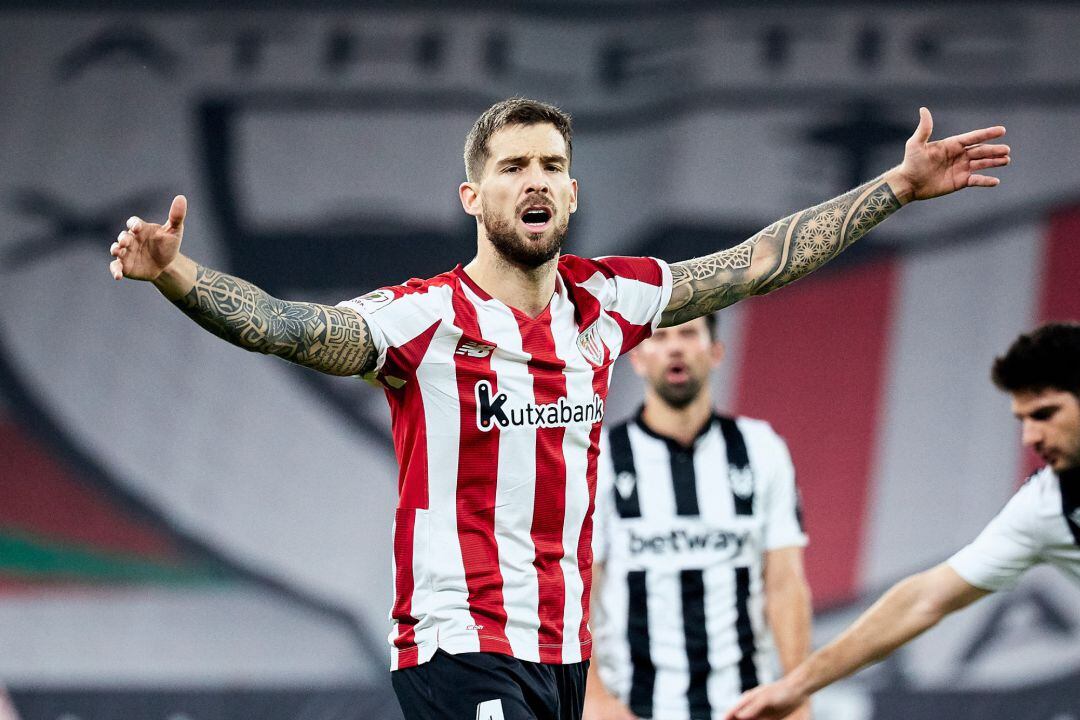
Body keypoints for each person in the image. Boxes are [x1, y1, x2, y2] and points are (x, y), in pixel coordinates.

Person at [107, 98, 1009, 720]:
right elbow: (287, 327)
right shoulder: (426, 318)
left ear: (573, 193)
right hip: (459, 641)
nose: (534, 179)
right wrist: (177, 274)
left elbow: (759, 261)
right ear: (474, 196)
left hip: (564, 652)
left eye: (552, 165)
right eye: (511, 167)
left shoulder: (608, 302)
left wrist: (894, 188)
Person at [724, 322, 1080, 720]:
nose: (1029, 437)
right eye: (1023, 419)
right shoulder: (1043, 508)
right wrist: (797, 685)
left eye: (1045, 414)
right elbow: (925, 599)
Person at [585, 314, 812, 720]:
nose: (675, 347)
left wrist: (797, 694)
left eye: (689, 333)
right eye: (660, 337)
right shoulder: (600, 458)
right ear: (637, 358)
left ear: (716, 351)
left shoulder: (761, 448)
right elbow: (579, 591)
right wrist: (597, 699)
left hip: (744, 706)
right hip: (636, 708)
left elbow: (785, 584)